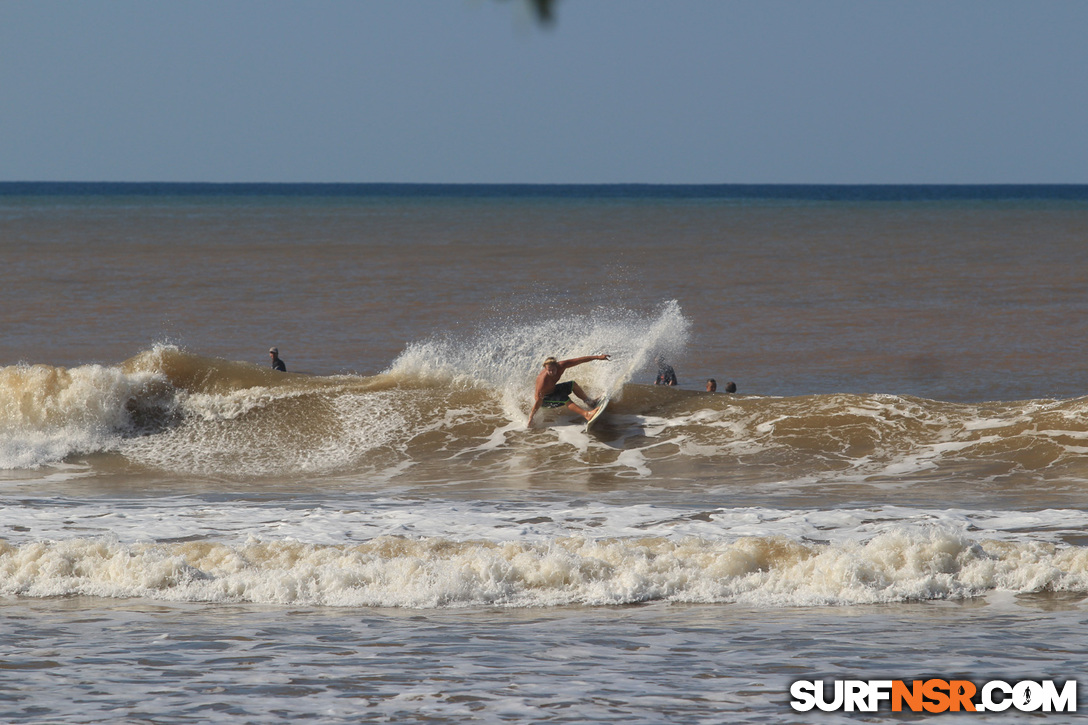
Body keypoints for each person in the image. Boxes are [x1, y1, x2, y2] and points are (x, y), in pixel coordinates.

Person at [528, 354, 610, 427]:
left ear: (557, 366)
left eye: (553, 369)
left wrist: (598, 357)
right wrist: (531, 417)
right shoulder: (543, 381)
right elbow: (538, 400)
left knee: (572, 384)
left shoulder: (562, 365)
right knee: (563, 398)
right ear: (545, 369)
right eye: (549, 370)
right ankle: (587, 415)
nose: (551, 372)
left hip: (553, 390)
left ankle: (590, 402)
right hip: (544, 400)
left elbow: (579, 360)